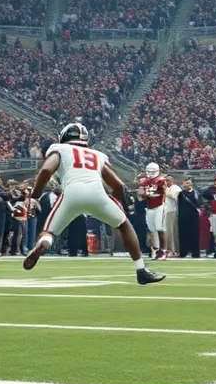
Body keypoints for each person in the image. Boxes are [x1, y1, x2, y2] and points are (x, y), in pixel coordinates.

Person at [23, 122, 164, 285]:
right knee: (124, 225)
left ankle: (45, 242)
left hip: (72, 193)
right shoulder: (97, 155)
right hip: (97, 193)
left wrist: (35, 196)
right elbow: (119, 185)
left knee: (48, 232)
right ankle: (141, 270)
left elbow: (46, 170)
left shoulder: (60, 149)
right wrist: (116, 205)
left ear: (65, 137)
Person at [137, 162, 168, 260]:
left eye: (152, 171)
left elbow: (159, 192)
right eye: (149, 171)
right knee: (152, 229)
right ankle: (156, 249)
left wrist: (145, 193)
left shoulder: (161, 180)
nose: (150, 173)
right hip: (149, 207)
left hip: (160, 206)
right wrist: (142, 191)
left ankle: (163, 250)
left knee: (160, 228)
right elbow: (140, 196)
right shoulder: (146, 181)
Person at [176, 177, 202, 258]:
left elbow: (199, 203)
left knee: (194, 235)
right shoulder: (180, 194)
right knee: (183, 235)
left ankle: (195, 252)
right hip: (183, 217)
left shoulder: (196, 193)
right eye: (186, 183)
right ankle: (183, 252)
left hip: (194, 217)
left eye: (189, 183)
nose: (188, 185)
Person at [163, 175, 180, 257]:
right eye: (166, 180)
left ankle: (174, 250)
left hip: (172, 211)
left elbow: (175, 197)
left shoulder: (176, 188)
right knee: (165, 232)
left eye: (169, 180)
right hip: (163, 211)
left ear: (173, 181)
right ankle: (166, 249)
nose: (167, 182)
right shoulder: (164, 188)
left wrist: (165, 191)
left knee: (171, 231)